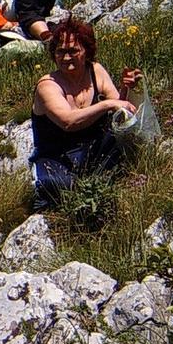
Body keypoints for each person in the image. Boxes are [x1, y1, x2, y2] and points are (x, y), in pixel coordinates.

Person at [30, 16, 142, 210]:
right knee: (60, 188)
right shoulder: (47, 85)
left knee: (122, 145)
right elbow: (68, 121)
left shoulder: (96, 71)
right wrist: (107, 104)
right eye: (60, 52)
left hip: (92, 149)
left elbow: (119, 112)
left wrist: (127, 90)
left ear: (86, 52)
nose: (66, 58)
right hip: (56, 157)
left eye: (73, 51)